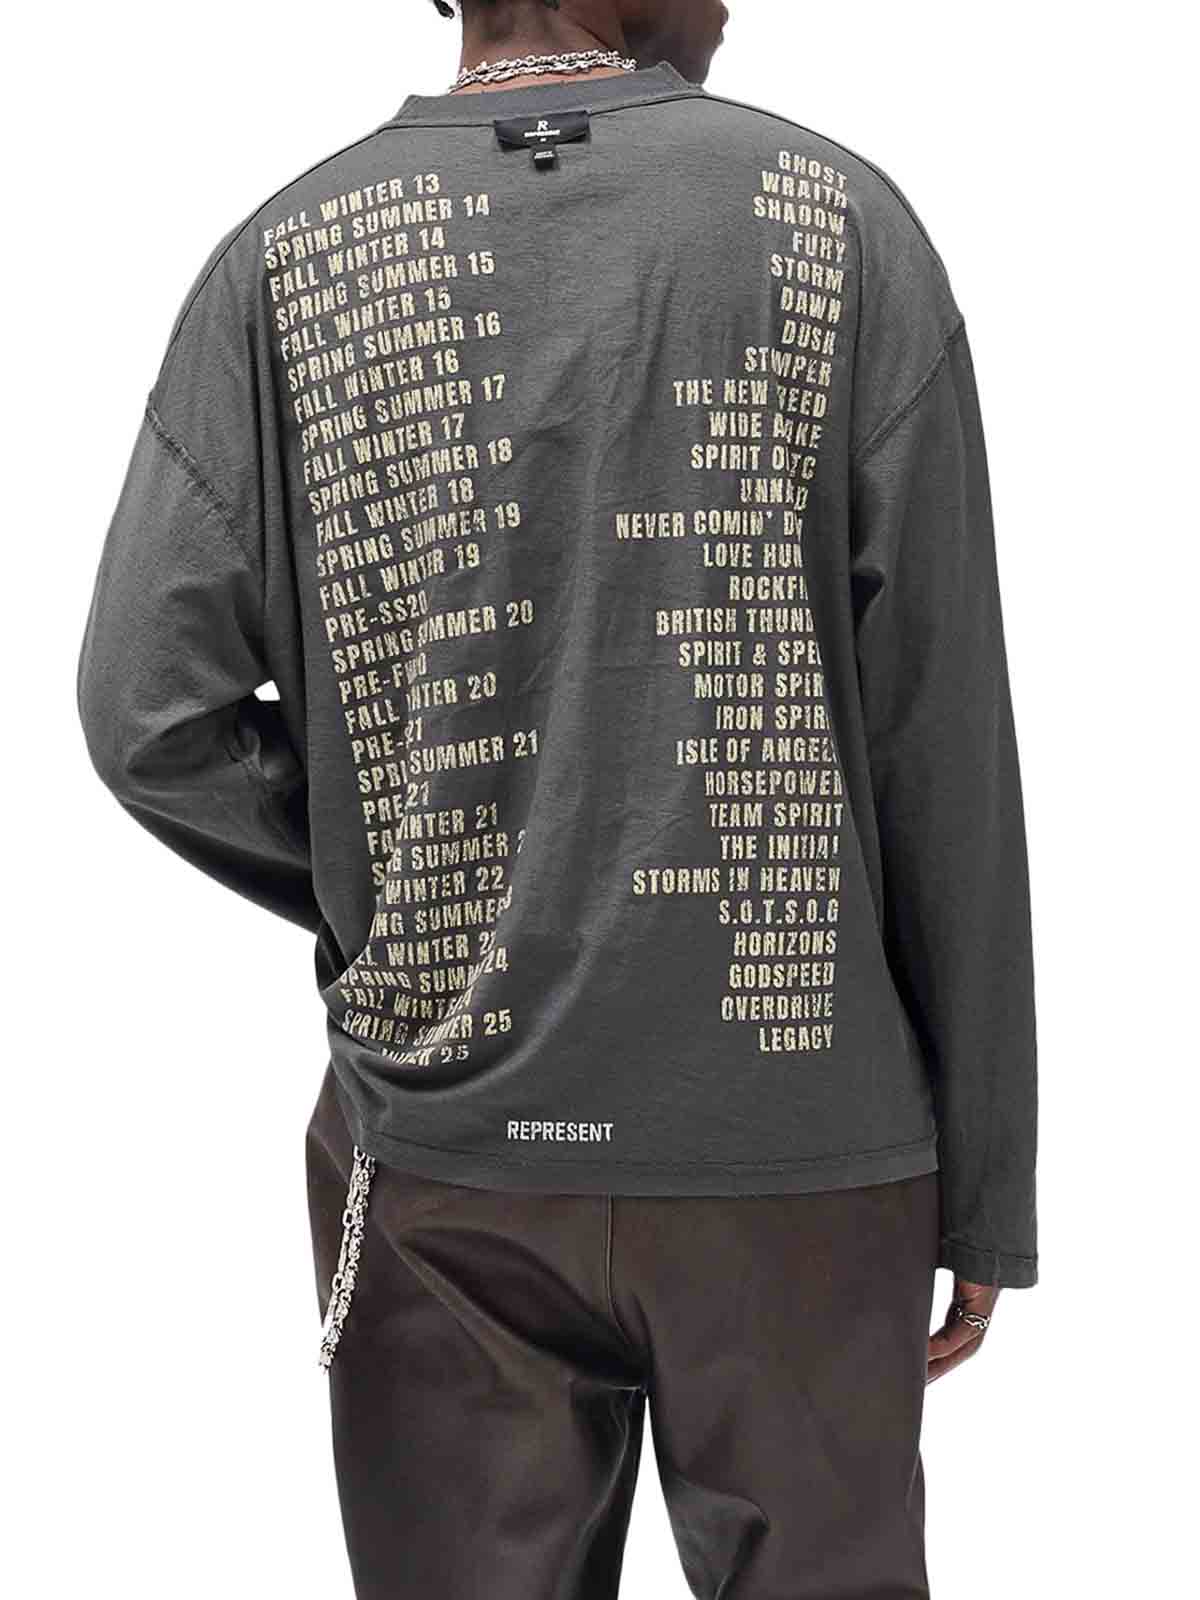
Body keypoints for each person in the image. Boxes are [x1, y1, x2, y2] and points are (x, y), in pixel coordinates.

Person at [76, 1, 1038, 1594]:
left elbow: (147, 711)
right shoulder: (844, 222)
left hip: (447, 1157)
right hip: (801, 1155)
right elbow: (941, 743)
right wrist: (987, 1186)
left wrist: (401, 882)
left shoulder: (281, 258)